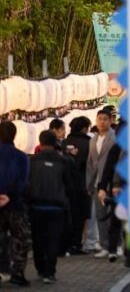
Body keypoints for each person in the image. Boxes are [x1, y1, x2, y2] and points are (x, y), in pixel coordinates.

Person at [27, 130, 76, 284]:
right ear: (56, 142)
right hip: (57, 206)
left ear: (40, 142)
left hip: (36, 205)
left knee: (38, 239)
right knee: (53, 239)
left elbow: (27, 184)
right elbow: (69, 185)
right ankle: (50, 271)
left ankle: (40, 269)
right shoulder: (64, 161)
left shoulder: (32, 161)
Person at [0, 121, 31, 286]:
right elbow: (22, 182)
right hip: (15, 204)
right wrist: (8, 195)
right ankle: (17, 274)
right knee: (21, 238)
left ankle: (2, 269)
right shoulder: (21, 156)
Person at [86, 109, 116, 258]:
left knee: (114, 215)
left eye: (105, 119)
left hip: (112, 181)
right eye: (99, 119)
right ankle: (104, 245)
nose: (102, 122)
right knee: (100, 214)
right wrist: (89, 184)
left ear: (110, 121)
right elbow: (90, 164)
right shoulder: (92, 140)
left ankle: (116, 245)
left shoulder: (114, 138)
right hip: (98, 182)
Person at [62, 116, 91, 254]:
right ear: (85, 128)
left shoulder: (64, 143)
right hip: (82, 184)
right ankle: (76, 244)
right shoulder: (88, 143)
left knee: (68, 215)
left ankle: (66, 244)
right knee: (80, 216)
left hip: (65, 185)